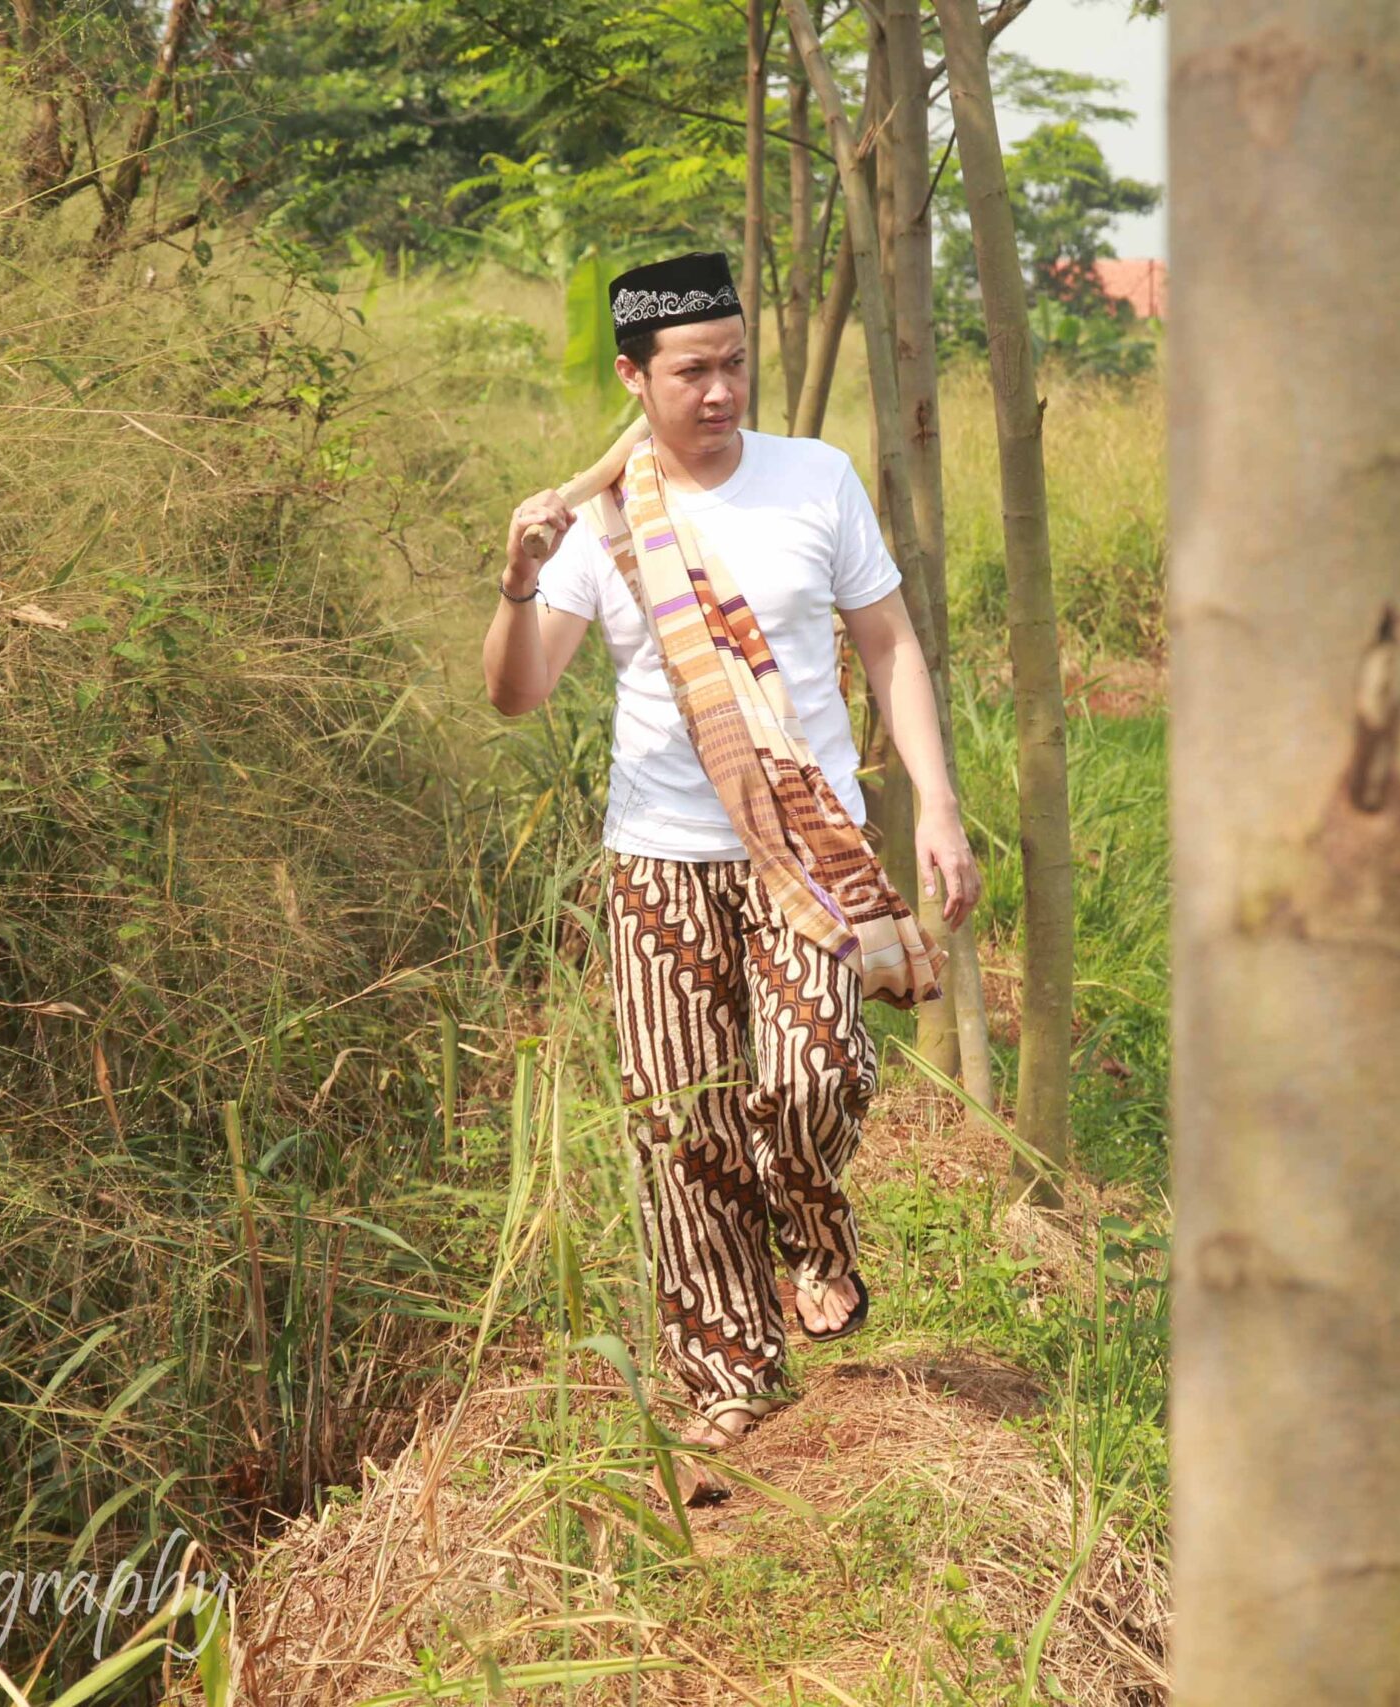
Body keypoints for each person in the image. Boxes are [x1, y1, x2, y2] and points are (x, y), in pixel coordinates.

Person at [481, 250, 981, 1505]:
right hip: (658, 854)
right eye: (692, 371)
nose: (719, 391)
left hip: (808, 845)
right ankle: (728, 1377)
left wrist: (937, 806)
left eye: (735, 364)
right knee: (681, 1123)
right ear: (633, 377)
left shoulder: (816, 478)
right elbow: (516, 693)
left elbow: (888, 644)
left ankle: (808, 1226)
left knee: (811, 1075)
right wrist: (519, 578)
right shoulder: (604, 522)